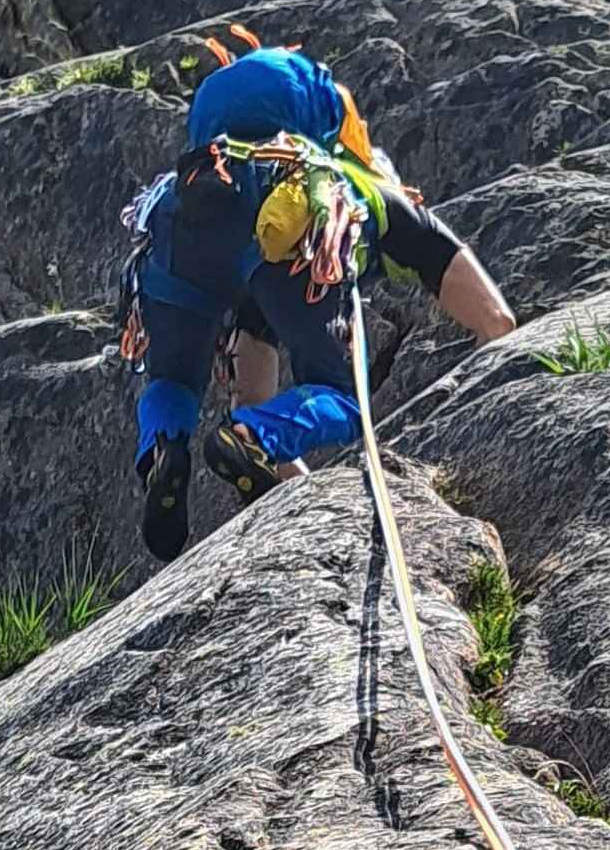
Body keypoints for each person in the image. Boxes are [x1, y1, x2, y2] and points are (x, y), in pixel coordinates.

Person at [119, 31, 516, 562]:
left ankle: (162, 450)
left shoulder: (191, 180)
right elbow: (482, 304)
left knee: (172, 381)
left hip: (174, 238)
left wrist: (283, 473)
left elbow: (255, 392)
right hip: (286, 224)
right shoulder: (342, 180)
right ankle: (254, 437)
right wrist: (507, 344)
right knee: (344, 399)